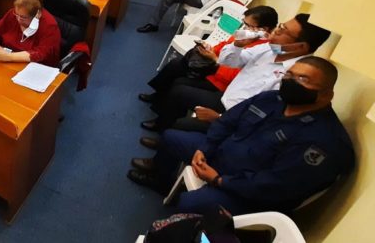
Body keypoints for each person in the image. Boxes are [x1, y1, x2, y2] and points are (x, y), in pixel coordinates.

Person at [129, 57, 354, 216]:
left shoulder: (324, 142)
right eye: (289, 75)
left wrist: (220, 180)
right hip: (220, 157)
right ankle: (161, 181)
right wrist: (205, 148)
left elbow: (277, 186)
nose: (290, 82)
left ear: (326, 95)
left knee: (190, 202)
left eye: (302, 80)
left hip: (250, 193)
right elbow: (227, 122)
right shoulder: (271, 98)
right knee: (171, 137)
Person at [141, 13, 331, 133]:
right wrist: (237, 45)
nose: (275, 31)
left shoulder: (293, 75)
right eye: (280, 25)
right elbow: (229, 60)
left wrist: (221, 119)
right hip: (227, 97)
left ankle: (161, 163)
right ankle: (161, 127)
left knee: (180, 126)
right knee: (179, 90)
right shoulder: (271, 49)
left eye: (283, 30)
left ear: (300, 46)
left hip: (236, 114)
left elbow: (263, 114)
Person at [138, 6, 278, 141]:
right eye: (244, 23)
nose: (243, 27)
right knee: (177, 65)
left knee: (179, 83)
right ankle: (159, 102)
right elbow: (223, 46)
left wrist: (214, 60)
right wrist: (210, 50)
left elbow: (232, 76)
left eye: (247, 25)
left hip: (220, 82)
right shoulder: (244, 36)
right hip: (213, 69)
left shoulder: (260, 49)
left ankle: (163, 120)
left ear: (262, 29)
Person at [0, 0, 62, 67]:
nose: (18, 19)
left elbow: (40, 53)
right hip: (8, 60)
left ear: (37, 15)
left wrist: (10, 57)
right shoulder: (14, 14)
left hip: (36, 67)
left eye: (23, 17)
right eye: (16, 14)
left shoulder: (50, 26)